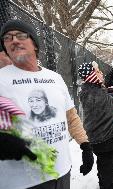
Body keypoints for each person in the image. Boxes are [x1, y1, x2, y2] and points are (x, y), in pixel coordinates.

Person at [0, 19, 94, 189]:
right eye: (7, 38)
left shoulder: (55, 78)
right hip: (22, 183)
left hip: (62, 173)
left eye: (20, 35)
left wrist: (85, 146)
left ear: (35, 44)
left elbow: (71, 117)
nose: (14, 40)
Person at [78, 62, 113, 189]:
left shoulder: (89, 90)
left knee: (103, 164)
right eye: (97, 71)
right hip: (107, 140)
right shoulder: (95, 93)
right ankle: (107, 184)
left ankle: (107, 182)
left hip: (98, 139)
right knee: (110, 165)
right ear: (91, 75)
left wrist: (108, 90)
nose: (101, 73)